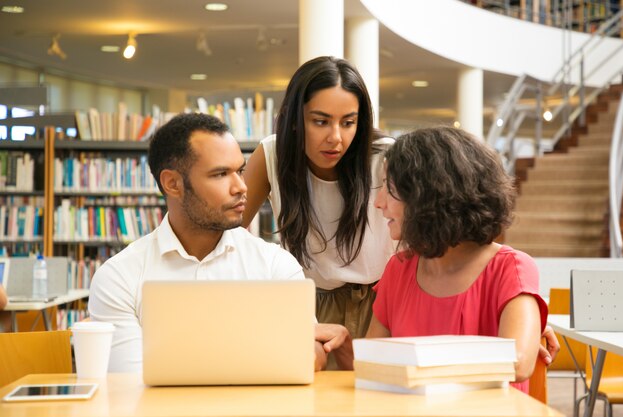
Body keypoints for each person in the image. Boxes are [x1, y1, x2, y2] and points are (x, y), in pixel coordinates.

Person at [88, 113, 350, 373]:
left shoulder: (275, 265)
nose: (241, 187)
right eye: (221, 174)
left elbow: (311, 357)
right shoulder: (118, 277)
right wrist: (265, 352)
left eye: (240, 171)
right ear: (173, 184)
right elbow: (130, 378)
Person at [366, 126, 552, 393]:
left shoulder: (511, 268)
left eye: (390, 188)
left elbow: (519, 363)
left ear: (429, 196)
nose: (378, 202)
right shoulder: (398, 269)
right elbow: (375, 362)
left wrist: (413, 363)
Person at [243, 56, 395, 342]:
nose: (335, 138)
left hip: (381, 305)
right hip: (309, 308)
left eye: (348, 122)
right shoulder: (272, 155)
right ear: (294, 119)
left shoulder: (385, 157)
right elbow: (230, 233)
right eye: (320, 121)